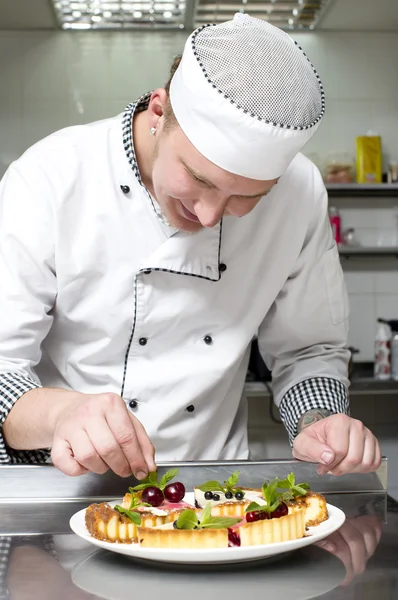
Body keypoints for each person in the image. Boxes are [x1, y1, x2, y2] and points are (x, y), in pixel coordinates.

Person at [0, 14, 381, 480]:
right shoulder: (49, 177)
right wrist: (63, 416)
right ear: (158, 112)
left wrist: (319, 422)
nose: (209, 217)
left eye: (247, 198)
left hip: (213, 493)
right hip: (56, 488)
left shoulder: (300, 191)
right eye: (198, 179)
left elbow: (308, 352)